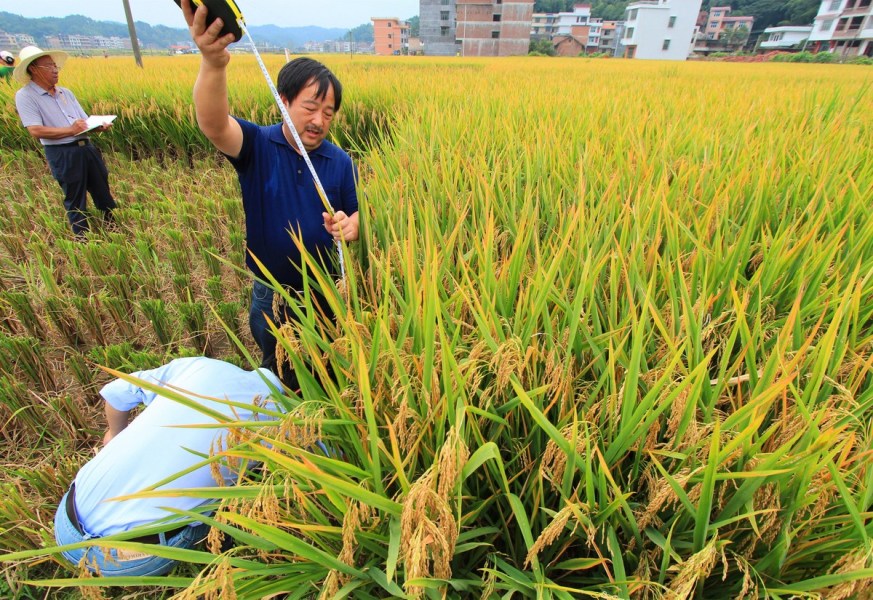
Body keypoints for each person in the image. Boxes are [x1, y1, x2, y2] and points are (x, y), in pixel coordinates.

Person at [182, 0, 360, 367]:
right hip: (272, 295)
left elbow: (356, 218)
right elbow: (214, 124)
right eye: (310, 107)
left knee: (326, 370)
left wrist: (349, 226)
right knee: (275, 368)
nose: (319, 120)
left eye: (328, 113)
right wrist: (214, 62)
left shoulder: (340, 162)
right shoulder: (257, 145)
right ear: (284, 101)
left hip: (327, 293)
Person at [53, 356, 289, 576]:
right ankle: (218, 548)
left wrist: (115, 434)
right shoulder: (285, 423)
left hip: (67, 519)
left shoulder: (202, 366)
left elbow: (119, 392)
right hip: (129, 558)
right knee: (242, 486)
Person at [13, 46, 118, 238]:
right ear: (34, 69)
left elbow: (83, 122)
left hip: (86, 149)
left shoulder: (65, 93)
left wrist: (97, 126)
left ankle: (115, 230)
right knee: (75, 198)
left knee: (103, 192)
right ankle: (83, 239)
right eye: (49, 66)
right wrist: (70, 130)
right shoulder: (26, 96)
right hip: (63, 153)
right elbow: (35, 130)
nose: (55, 70)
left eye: (55, 65)